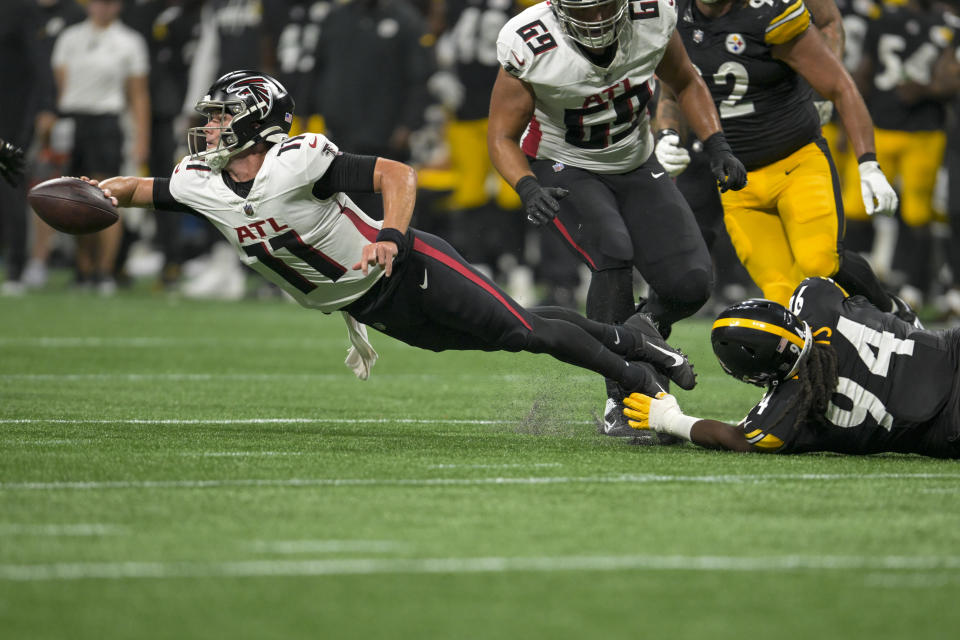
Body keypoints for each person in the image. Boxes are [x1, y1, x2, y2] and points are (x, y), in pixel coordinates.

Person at [83, 69, 697, 403]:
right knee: (516, 326)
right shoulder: (202, 180)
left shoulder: (297, 161)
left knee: (522, 331)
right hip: (367, 303)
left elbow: (395, 174)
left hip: (407, 268)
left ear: (255, 121)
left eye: (220, 116)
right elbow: (141, 188)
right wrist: (97, 189)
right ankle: (635, 340)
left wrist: (395, 239)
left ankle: (644, 385)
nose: (210, 128)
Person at [487, 0, 747, 436]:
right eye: (582, 10)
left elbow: (685, 80)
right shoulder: (531, 41)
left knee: (691, 283)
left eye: (604, 6)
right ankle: (622, 399)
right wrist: (527, 185)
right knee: (612, 250)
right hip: (565, 162)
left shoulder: (653, 15)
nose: (595, 19)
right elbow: (500, 136)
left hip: (635, 160)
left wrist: (716, 143)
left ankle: (644, 331)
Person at [654, 0, 901, 315]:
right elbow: (672, 90)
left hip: (796, 160)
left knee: (820, 264)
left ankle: (892, 311)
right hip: (738, 178)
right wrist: (666, 134)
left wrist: (868, 164)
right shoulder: (671, 15)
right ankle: (819, 361)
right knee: (783, 295)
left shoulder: (769, 13)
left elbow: (841, 86)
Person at [623, 276, 960, 458]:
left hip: (946, 424)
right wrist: (897, 314)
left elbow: (737, 438)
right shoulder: (815, 298)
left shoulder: (791, 407)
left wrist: (670, 420)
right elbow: (848, 267)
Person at [50, 0, 150, 294]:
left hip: (106, 122)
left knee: (106, 197)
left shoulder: (129, 41)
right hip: (74, 121)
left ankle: (105, 271)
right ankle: (83, 269)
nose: (102, 8)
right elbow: (61, 86)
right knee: (74, 198)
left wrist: (141, 138)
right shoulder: (70, 37)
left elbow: (138, 94)